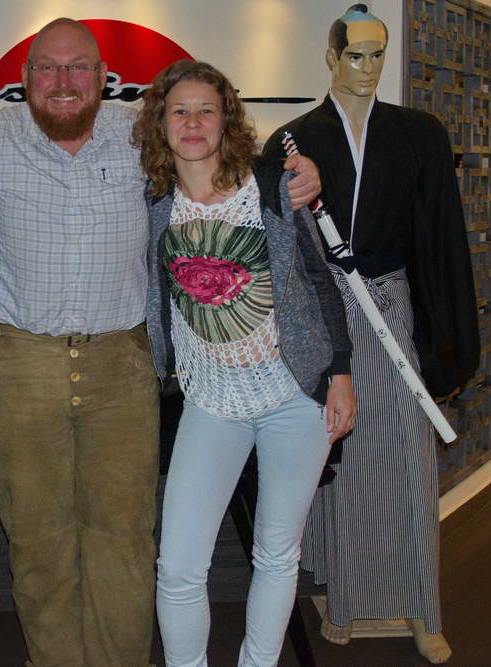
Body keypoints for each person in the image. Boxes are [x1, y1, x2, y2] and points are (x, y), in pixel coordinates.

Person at [0, 19, 322, 666]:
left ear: (103, 76)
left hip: (121, 364)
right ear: (26, 78)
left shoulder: (140, 133)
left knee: (124, 537)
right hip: (22, 362)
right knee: (37, 537)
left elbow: (217, 146)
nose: (63, 81)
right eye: (47, 67)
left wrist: (295, 171)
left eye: (78, 67)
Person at [262, 5, 479, 663]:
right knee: (340, 458)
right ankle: (346, 596)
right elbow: (276, 244)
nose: (367, 67)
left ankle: (420, 604)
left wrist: (446, 336)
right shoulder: (292, 139)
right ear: (332, 57)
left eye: (377, 54)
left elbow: (440, 236)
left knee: (408, 458)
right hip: (322, 311)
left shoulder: (419, 134)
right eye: (355, 54)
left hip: (390, 304)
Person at [136, 59, 355, 666]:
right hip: (210, 401)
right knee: (178, 565)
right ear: (160, 123)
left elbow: (320, 279)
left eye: (206, 109)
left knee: (277, 554)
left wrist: (340, 372)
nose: (193, 122)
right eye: (179, 110)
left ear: (226, 119)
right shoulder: (151, 201)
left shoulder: (272, 187)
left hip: (296, 396)